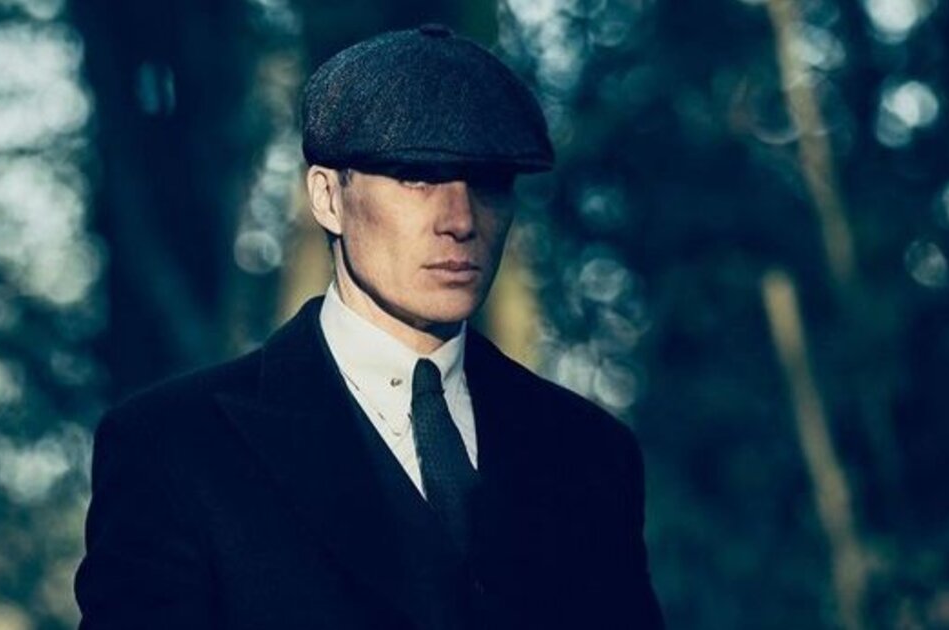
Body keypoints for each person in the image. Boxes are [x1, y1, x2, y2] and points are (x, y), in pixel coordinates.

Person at [75, 24, 664, 630]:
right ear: (328, 197)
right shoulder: (174, 449)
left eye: (489, 182)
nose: (460, 219)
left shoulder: (589, 454)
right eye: (417, 177)